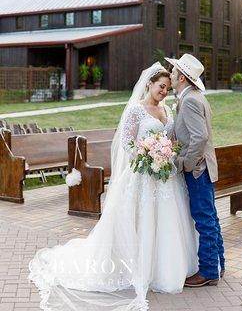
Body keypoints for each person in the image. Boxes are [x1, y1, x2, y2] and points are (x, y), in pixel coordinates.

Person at [28, 62, 198, 311]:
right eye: (161, 86)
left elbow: (170, 139)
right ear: (149, 84)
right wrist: (146, 156)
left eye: (167, 88)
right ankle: (136, 267)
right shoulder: (135, 111)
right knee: (140, 221)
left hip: (164, 177)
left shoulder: (167, 111)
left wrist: (165, 153)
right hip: (141, 174)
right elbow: (126, 144)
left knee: (167, 221)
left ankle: (165, 268)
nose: (164, 91)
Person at [165, 53, 225, 287]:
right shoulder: (194, 96)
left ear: (181, 78)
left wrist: (186, 164)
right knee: (211, 218)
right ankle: (218, 264)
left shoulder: (190, 100)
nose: (170, 74)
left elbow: (199, 138)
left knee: (204, 220)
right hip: (205, 168)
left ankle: (209, 270)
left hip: (198, 170)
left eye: (173, 71)